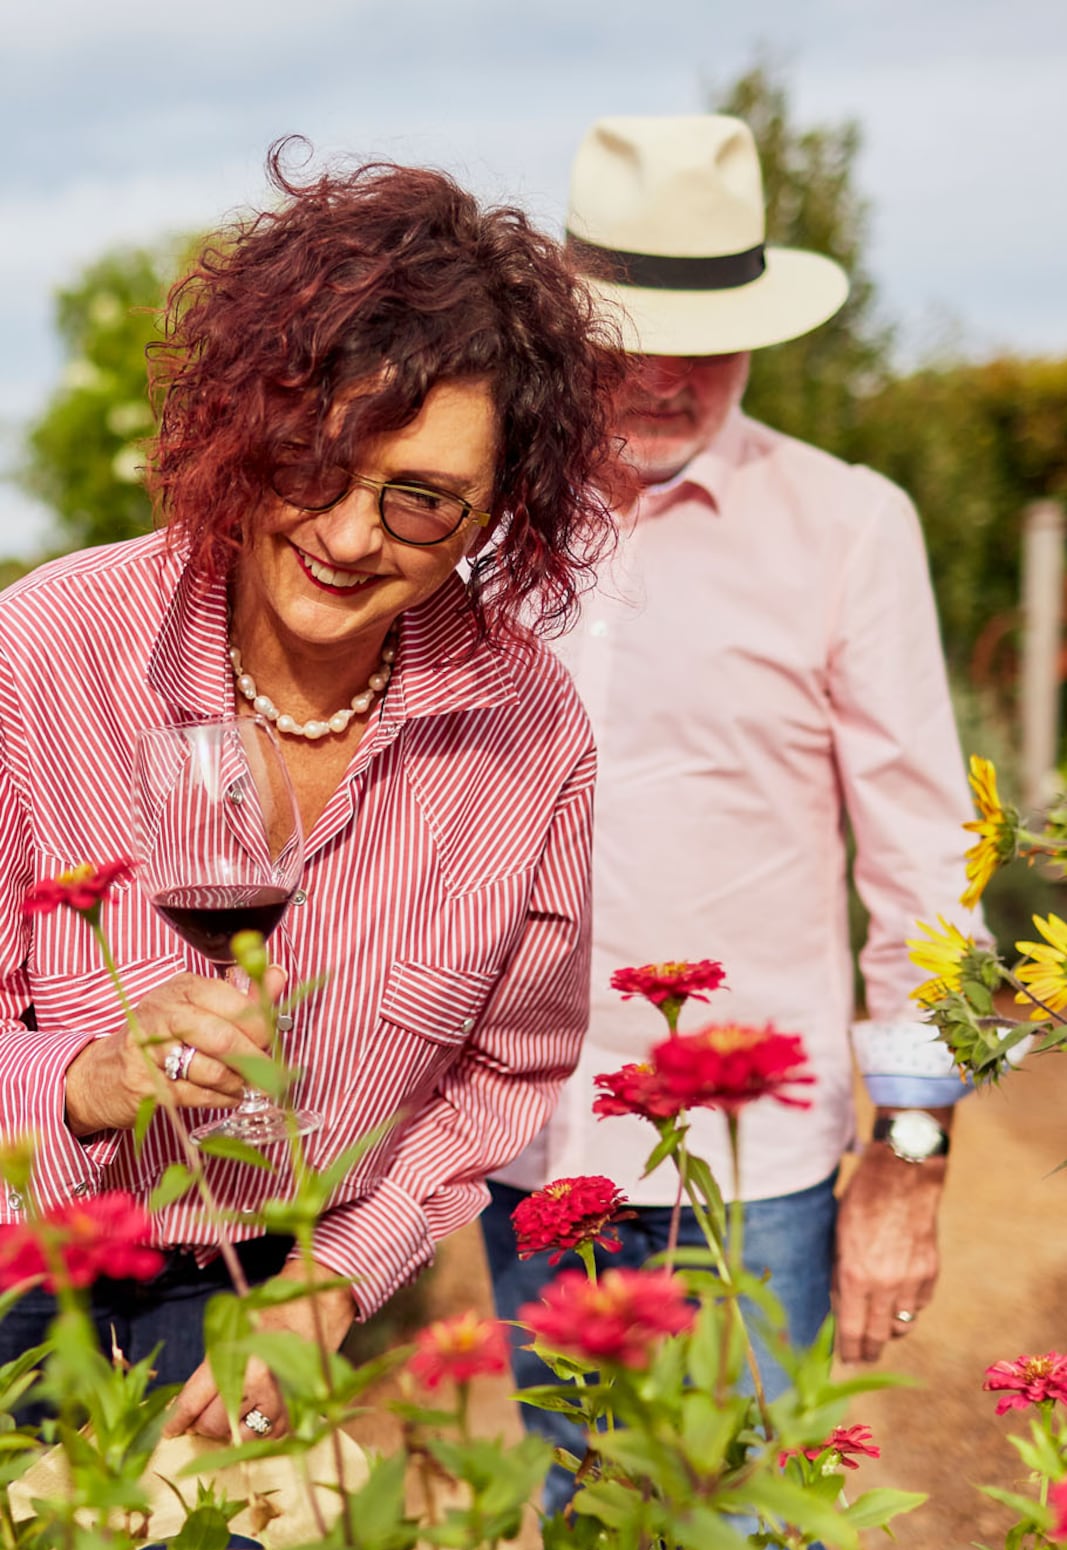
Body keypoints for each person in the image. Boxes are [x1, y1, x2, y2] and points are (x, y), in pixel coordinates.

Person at [0, 139, 630, 1441]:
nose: (349, 538)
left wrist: (339, 1282)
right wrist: (82, 1080)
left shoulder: (527, 732)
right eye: (316, 463)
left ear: (499, 508)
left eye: (421, 502)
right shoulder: (46, 650)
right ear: (251, 421)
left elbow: (507, 1069)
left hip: (265, 1308)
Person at [481, 114, 981, 1550]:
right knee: (591, 1546)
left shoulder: (845, 527)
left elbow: (928, 863)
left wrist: (912, 1155)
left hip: (749, 1183)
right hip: (531, 1157)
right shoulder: (477, 527)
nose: (672, 372)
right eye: (634, 330)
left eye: (715, 332)